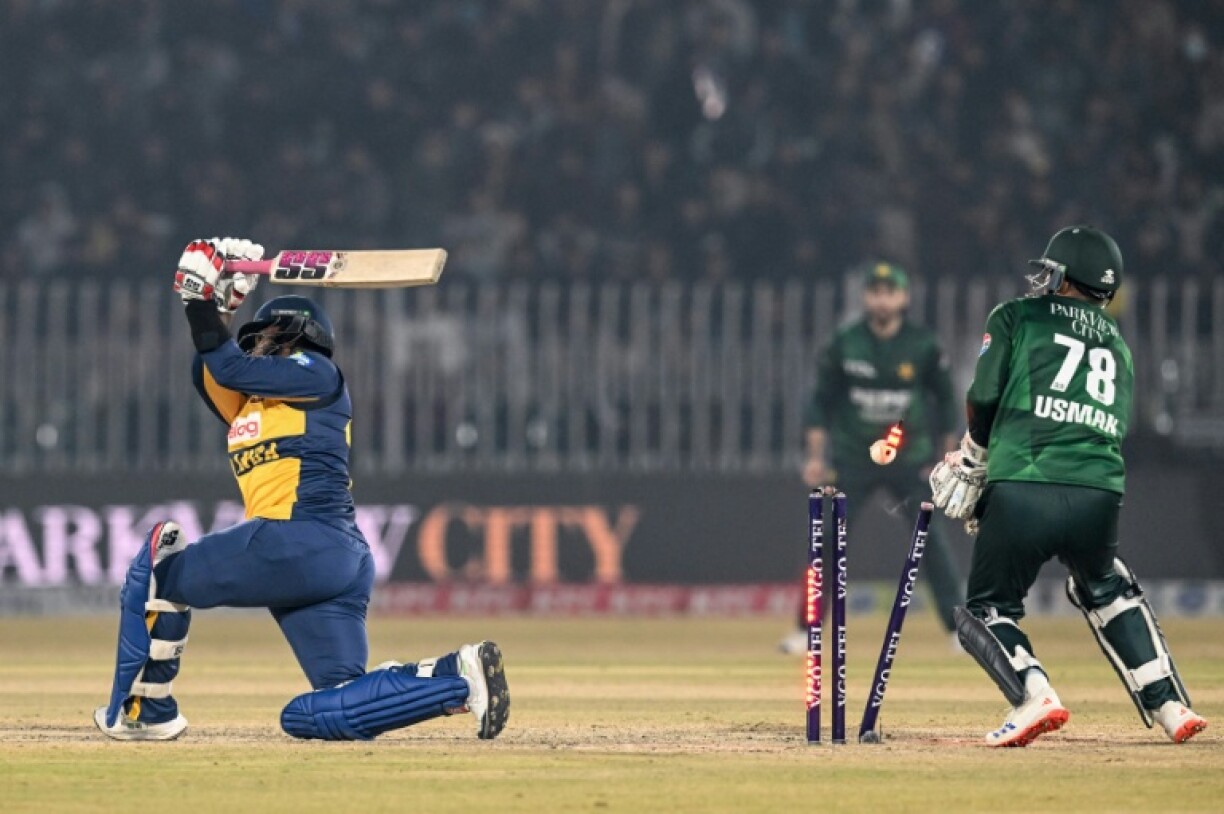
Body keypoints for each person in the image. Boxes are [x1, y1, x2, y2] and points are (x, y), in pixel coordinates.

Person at [94, 237, 510, 742]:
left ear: (294, 332)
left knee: (161, 565)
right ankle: (458, 677)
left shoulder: (315, 372)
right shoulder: (251, 403)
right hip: (331, 561)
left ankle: (145, 712)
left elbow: (225, 364)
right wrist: (219, 304)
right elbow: (209, 372)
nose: (254, 342)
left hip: (300, 538)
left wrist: (197, 301)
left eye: (264, 332)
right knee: (318, 710)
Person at [931, 225, 1208, 747]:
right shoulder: (1118, 345)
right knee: (1106, 586)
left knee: (987, 608)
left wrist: (974, 458)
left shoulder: (1015, 315)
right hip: (1099, 492)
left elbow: (985, 395)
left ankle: (1035, 695)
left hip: (1025, 486)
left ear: (1064, 276)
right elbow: (1115, 425)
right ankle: (1170, 705)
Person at [780, 262, 965, 654]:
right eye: (875, 292)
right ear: (866, 297)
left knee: (930, 539)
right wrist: (815, 457)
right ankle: (805, 630)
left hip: (909, 459)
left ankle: (957, 631)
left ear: (904, 298)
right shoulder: (845, 343)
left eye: (890, 292)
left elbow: (947, 403)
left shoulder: (923, 345)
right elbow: (820, 405)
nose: (882, 299)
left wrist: (947, 456)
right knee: (825, 538)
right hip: (852, 459)